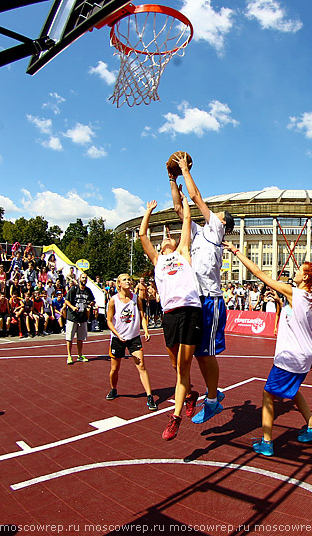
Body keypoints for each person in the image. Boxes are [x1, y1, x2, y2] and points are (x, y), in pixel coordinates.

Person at [224, 240, 312, 457]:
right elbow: (295, 319)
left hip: (291, 355)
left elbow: (260, 274)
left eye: (299, 271)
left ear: (306, 277)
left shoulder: (296, 293)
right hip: (305, 354)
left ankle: (267, 442)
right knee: (294, 391)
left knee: (268, 394)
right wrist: (280, 304)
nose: (295, 273)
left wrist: (236, 251)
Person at [169, 152, 235, 424]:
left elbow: (196, 198)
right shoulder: (199, 233)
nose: (214, 213)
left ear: (223, 222)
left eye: (218, 214)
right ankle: (212, 394)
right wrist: (172, 179)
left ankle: (211, 400)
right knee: (197, 353)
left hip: (211, 300)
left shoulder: (217, 229)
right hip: (196, 300)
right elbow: (179, 209)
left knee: (206, 352)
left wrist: (185, 169)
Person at [139, 195, 204, 441]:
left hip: (189, 310)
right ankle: (189, 395)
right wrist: (148, 211)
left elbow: (187, 218)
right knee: (176, 366)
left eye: (170, 236)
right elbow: (143, 235)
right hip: (169, 316)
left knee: (183, 369)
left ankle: (175, 418)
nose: (167, 237)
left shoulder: (183, 252)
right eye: (164, 237)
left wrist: (185, 200)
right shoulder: (157, 260)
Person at [106, 273, 156, 411]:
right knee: (114, 369)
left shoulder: (136, 299)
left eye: (129, 279)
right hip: (118, 338)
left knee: (141, 367)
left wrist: (145, 330)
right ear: (119, 284)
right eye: (124, 280)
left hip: (134, 338)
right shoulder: (113, 300)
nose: (128, 281)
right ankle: (113, 389)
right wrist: (117, 334)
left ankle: (150, 396)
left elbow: (142, 315)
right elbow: (109, 321)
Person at [65, 272, 93, 364]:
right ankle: (69, 356)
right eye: (83, 278)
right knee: (70, 337)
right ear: (79, 279)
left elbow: (91, 301)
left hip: (82, 317)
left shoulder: (88, 290)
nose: (84, 279)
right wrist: (73, 307)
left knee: (80, 338)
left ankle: (80, 355)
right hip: (72, 317)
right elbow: (66, 301)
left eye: (85, 278)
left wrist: (91, 304)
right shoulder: (74, 289)